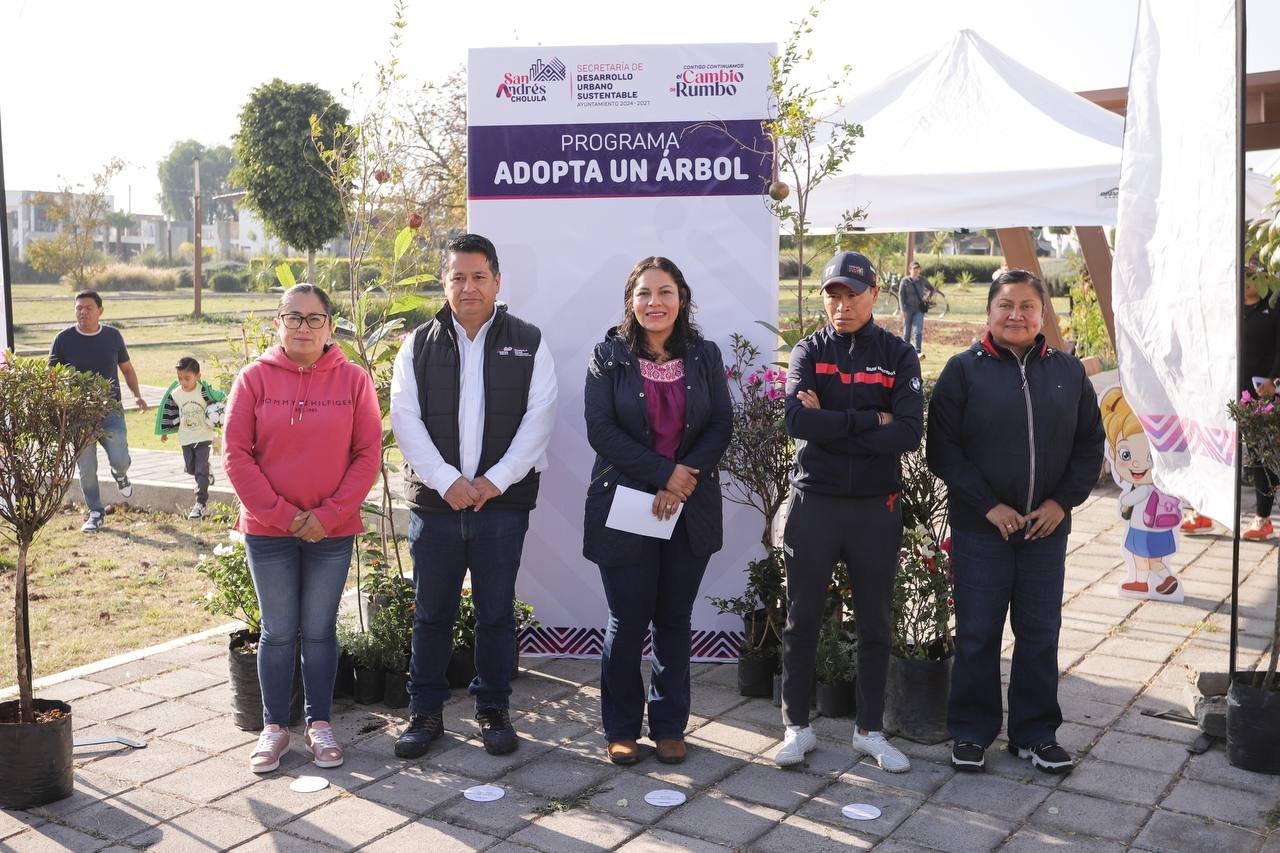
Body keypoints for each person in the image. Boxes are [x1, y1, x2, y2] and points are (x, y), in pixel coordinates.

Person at [926, 269, 1104, 775]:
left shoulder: (1069, 373)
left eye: (1028, 306)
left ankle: (1035, 734)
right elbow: (943, 448)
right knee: (978, 633)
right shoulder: (963, 371)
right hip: (983, 529)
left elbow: (1090, 445)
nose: (1017, 315)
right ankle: (971, 732)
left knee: (1041, 632)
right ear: (989, 312)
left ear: (1043, 313)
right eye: (1006, 305)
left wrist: (1061, 503)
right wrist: (988, 505)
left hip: (1046, 531)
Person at [390, 234, 557, 759]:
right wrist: (448, 481)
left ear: (497, 282)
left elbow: (541, 415)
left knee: (495, 614)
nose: (468, 286)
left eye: (479, 276)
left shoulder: (529, 341)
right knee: (431, 614)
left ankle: (493, 711)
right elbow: (405, 418)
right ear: (444, 283)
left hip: (500, 507)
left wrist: (494, 481)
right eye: (458, 277)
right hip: (436, 507)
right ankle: (425, 714)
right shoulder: (417, 344)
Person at [223, 284, 382, 773]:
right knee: (276, 632)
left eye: (315, 319)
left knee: (318, 632)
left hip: (331, 533)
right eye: (294, 318)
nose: (305, 328)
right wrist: (284, 515)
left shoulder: (353, 380)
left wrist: (327, 515)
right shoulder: (253, 379)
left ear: (331, 326)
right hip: (268, 531)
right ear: (279, 323)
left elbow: (367, 455)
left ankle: (319, 724)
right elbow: (235, 455)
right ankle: (274, 727)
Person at [774, 250, 923, 772]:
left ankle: (870, 730)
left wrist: (834, 420)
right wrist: (869, 421)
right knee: (802, 619)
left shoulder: (900, 355)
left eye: (852, 294)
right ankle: (797, 726)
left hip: (874, 508)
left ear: (874, 293)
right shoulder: (808, 351)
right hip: (815, 502)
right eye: (832, 295)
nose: (841, 305)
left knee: (876, 623)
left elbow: (907, 432)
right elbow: (796, 421)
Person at [583, 257, 732, 766]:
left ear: (682, 298)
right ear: (630, 301)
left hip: (688, 505)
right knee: (627, 620)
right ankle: (622, 727)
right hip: (627, 501)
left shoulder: (705, 356)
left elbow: (720, 426)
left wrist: (681, 479)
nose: (655, 302)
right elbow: (601, 431)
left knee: (673, 618)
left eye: (664, 292)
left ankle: (669, 725)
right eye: (644, 293)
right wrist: (662, 475)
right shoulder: (608, 357)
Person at [1181, 270, 1280, 540]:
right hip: (1223, 389)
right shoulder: (1228, 306)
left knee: (1260, 456)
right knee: (1212, 447)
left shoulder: (1273, 305)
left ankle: (1262, 518)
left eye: (1254, 274)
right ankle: (1201, 511)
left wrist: (1273, 379)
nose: (1248, 279)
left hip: (1261, 393)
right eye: (1244, 273)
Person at [49, 290, 148, 533]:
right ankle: (95, 512)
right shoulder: (63, 339)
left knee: (120, 459)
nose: (83, 312)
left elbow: (127, 369)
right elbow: (51, 375)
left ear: (100, 311)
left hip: (111, 411)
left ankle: (120, 474)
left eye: (88, 308)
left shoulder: (113, 336)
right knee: (87, 467)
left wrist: (137, 395)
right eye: (79, 308)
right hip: (79, 415)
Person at [1100, 387, 1183, 600]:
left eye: (1149, 456)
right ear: (1113, 452)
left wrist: (1125, 503)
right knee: (1155, 560)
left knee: (1140, 558)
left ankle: (1140, 582)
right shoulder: (1157, 486)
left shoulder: (1145, 487)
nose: (1137, 463)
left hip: (1143, 528)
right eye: (1126, 454)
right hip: (1161, 528)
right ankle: (1166, 579)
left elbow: (1131, 498)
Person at [155, 356, 226, 519]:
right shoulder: (176, 394)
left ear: (198, 376)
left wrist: (223, 411)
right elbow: (170, 411)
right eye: (180, 378)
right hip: (186, 438)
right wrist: (165, 431)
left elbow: (220, 397)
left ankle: (200, 503)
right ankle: (207, 473)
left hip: (204, 436)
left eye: (187, 378)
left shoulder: (203, 390)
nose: (183, 382)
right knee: (191, 468)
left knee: (200, 470)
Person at [898, 261, 934, 358]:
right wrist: (902, 309)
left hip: (919, 309)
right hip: (907, 309)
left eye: (918, 268)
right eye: (914, 268)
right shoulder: (904, 281)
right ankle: (905, 352)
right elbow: (901, 296)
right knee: (907, 332)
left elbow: (932, 289)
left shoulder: (922, 280)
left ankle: (918, 352)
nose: (916, 270)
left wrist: (927, 297)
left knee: (918, 330)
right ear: (910, 270)